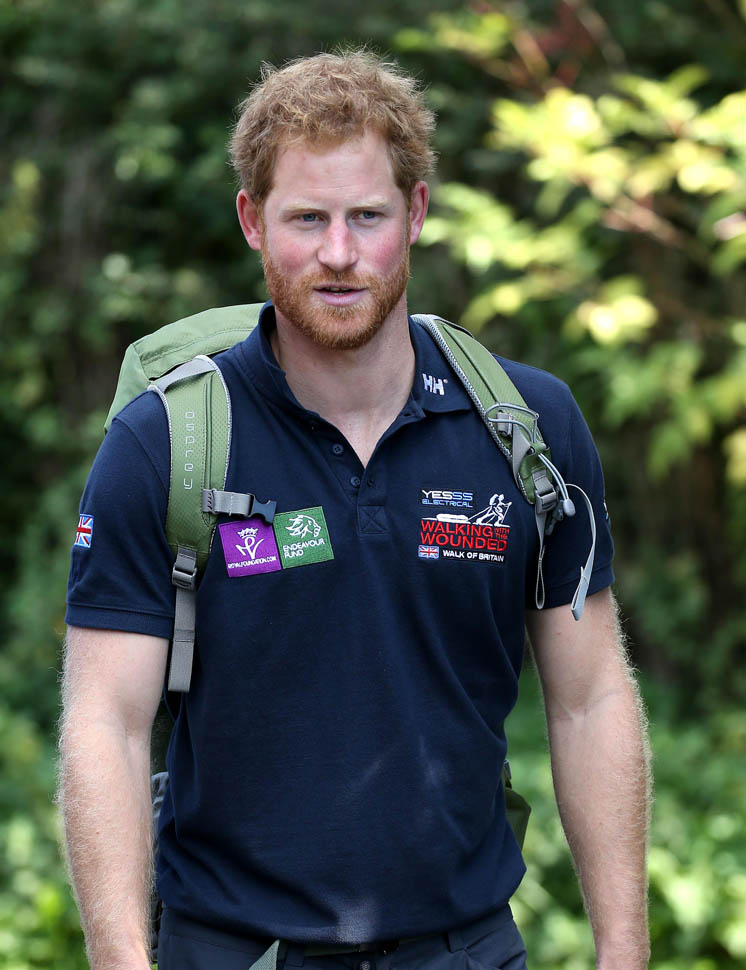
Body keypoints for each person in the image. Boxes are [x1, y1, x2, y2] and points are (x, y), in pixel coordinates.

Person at [59, 50, 651, 970]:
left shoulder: (527, 430)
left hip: (465, 951)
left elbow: (590, 699)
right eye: (307, 218)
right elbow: (106, 722)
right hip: (236, 952)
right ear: (255, 222)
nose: (339, 253)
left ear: (414, 215)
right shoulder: (163, 444)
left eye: (367, 216)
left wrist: (624, 950)